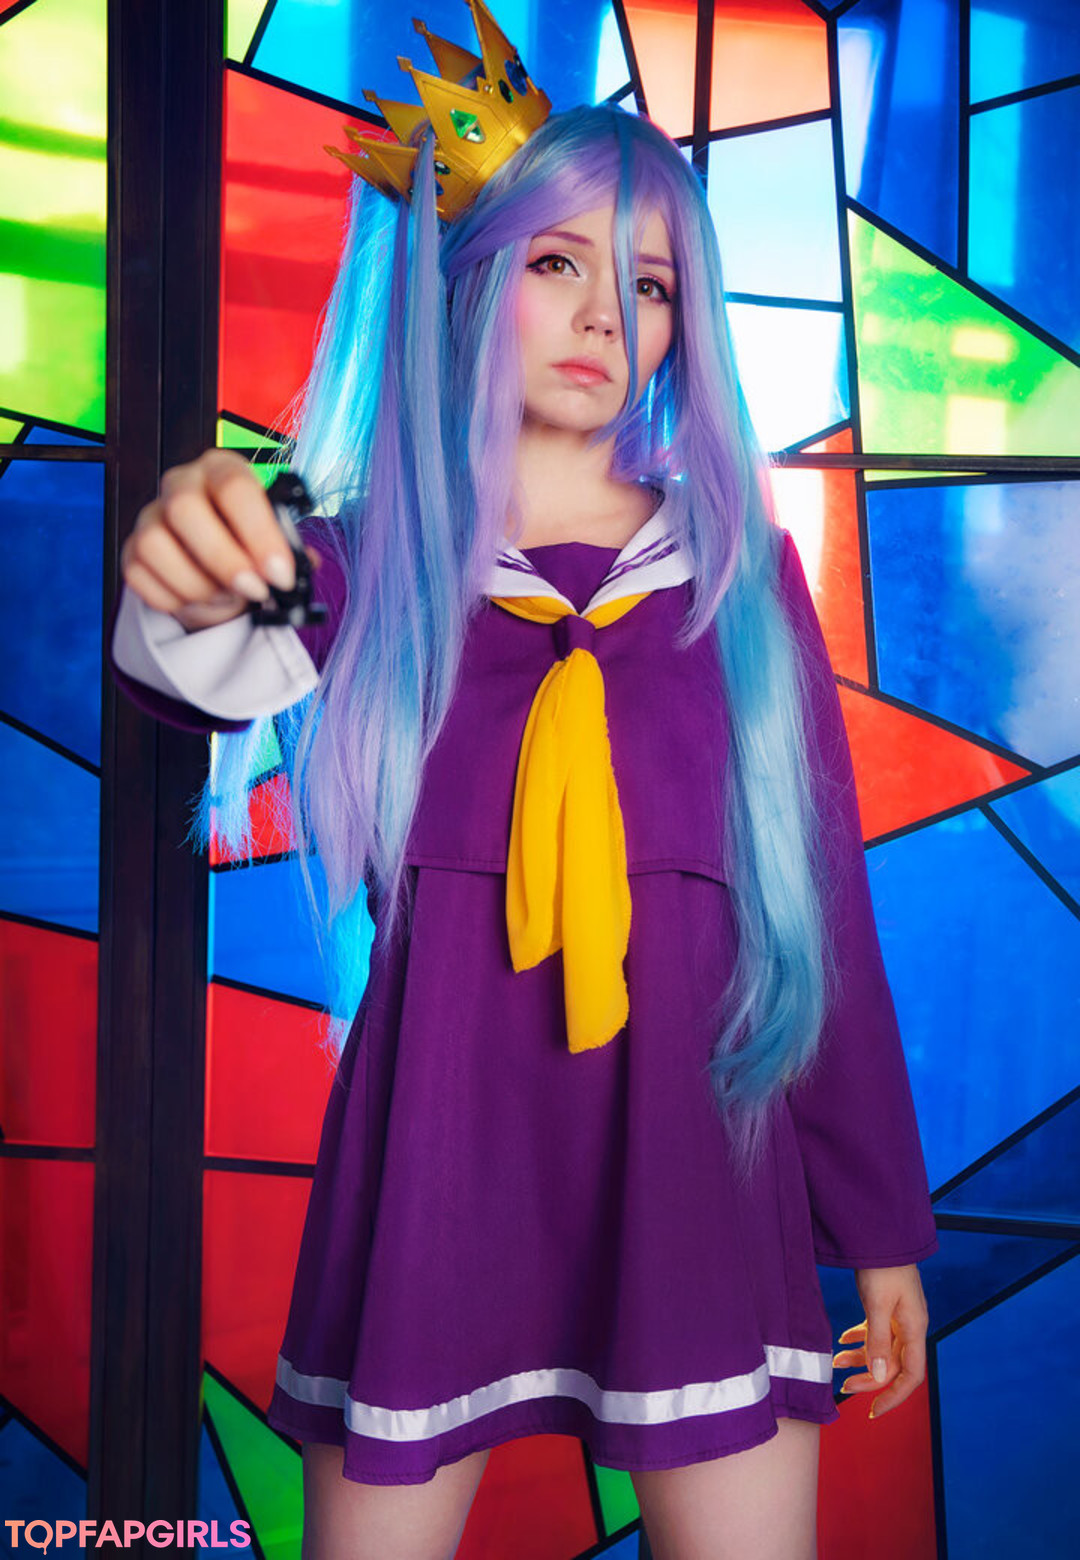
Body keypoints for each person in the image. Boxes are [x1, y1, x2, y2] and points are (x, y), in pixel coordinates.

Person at [110, 68, 937, 1560]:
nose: (606, 316)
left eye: (651, 284)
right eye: (559, 263)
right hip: (441, 1153)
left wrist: (881, 1230)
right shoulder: (365, 562)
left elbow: (821, 917)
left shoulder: (741, 582)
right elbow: (195, 671)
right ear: (468, 277)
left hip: (699, 1163)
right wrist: (193, 559)